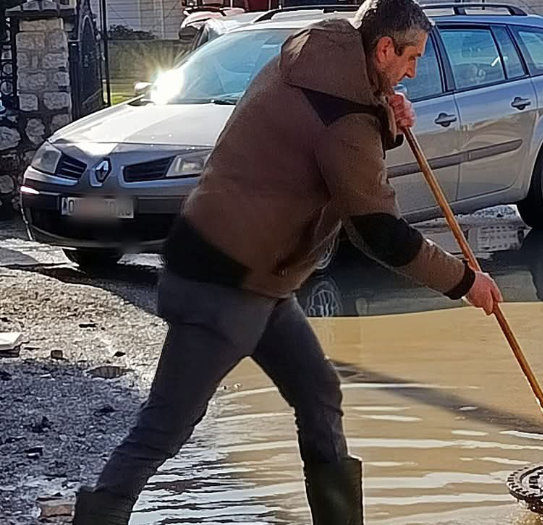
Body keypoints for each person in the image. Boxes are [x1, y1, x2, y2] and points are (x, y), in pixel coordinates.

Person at [72, 0, 503, 522]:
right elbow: (376, 230)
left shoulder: (315, 56)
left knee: (318, 393)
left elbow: (325, 132)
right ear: (384, 48)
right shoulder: (344, 116)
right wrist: (464, 281)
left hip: (259, 278)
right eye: (411, 58)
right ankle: (98, 516)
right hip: (221, 279)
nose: (413, 71)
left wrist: (386, 116)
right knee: (167, 423)